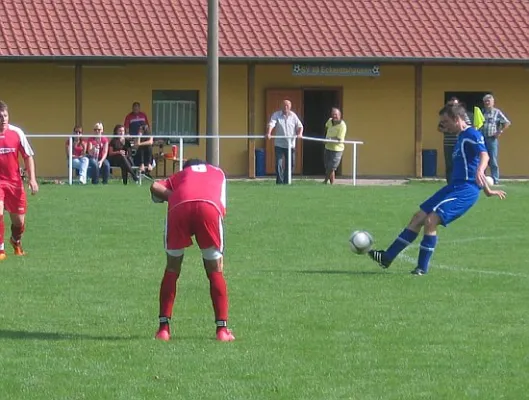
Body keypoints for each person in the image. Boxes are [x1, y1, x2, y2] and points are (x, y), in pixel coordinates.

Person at [368, 103, 506, 276]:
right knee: (418, 217)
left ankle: (421, 269)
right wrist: (488, 190)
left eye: (446, 121)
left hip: (465, 190)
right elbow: (472, 166)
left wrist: (480, 170)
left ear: (457, 119)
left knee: (431, 220)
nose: (444, 125)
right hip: (453, 187)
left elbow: (484, 155)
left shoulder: (472, 134)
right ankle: (387, 257)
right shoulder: (461, 137)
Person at [150, 159, 234, 342]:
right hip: (209, 209)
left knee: (172, 268)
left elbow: (154, 186)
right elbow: (221, 205)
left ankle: (163, 330)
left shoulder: (181, 175)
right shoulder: (218, 172)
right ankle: (222, 330)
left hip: (179, 209)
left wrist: (175, 196)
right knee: (215, 270)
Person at [0, 100, 39, 259]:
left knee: (19, 222)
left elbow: (28, 157)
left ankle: (15, 241)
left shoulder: (17, 133)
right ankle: (1, 249)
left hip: (14, 183)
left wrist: (32, 179)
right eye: (0, 116)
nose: (3, 119)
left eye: (5, 115)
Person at [266, 99, 303, 184]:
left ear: (290, 107)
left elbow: (300, 126)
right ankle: (279, 182)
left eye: (287, 105)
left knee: (290, 164)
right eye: (284, 105)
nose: (285, 107)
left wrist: (300, 133)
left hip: (290, 145)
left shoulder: (293, 116)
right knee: (278, 163)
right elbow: (272, 123)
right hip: (279, 144)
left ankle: (287, 181)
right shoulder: (276, 115)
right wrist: (269, 133)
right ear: (281, 106)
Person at [438, 97, 471, 184]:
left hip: (459, 142)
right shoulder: (445, 116)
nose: (452, 106)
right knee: (449, 165)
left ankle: (459, 182)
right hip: (448, 143)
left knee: (460, 164)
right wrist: (448, 129)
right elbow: (440, 128)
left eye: (455, 104)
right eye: (450, 104)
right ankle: (450, 183)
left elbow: (467, 126)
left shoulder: (462, 115)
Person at [480, 94, 511, 184]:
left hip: (492, 139)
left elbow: (507, 122)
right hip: (482, 139)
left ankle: (496, 180)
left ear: (493, 102)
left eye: (488, 101)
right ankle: (482, 179)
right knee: (482, 159)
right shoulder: (481, 112)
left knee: (493, 160)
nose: (487, 103)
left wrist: (499, 131)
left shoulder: (497, 112)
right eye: (485, 101)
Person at [323, 108, 347, 184]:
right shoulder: (329, 121)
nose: (334, 116)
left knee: (332, 167)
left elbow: (339, 138)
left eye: (336, 115)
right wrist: (325, 138)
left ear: (340, 115)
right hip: (328, 147)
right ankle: (332, 184)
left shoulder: (342, 125)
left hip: (337, 149)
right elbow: (326, 127)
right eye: (333, 114)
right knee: (328, 167)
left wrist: (329, 139)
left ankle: (325, 181)